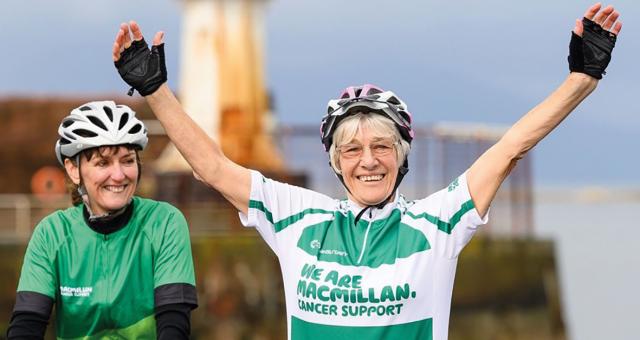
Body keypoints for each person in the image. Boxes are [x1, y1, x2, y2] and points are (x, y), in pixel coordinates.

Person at [111, 3, 620, 340]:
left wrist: (581, 79)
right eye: (351, 150)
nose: (368, 160)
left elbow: (511, 147)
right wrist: (155, 90)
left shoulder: (437, 222)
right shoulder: (296, 216)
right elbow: (212, 167)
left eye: (382, 146)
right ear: (335, 163)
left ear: (402, 157)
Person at [7, 101, 198, 339]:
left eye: (127, 161)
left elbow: (174, 324)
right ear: (73, 170)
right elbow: (27, 324)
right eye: (103, 163)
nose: (118, 175)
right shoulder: (51, 234)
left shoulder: (165, 222)